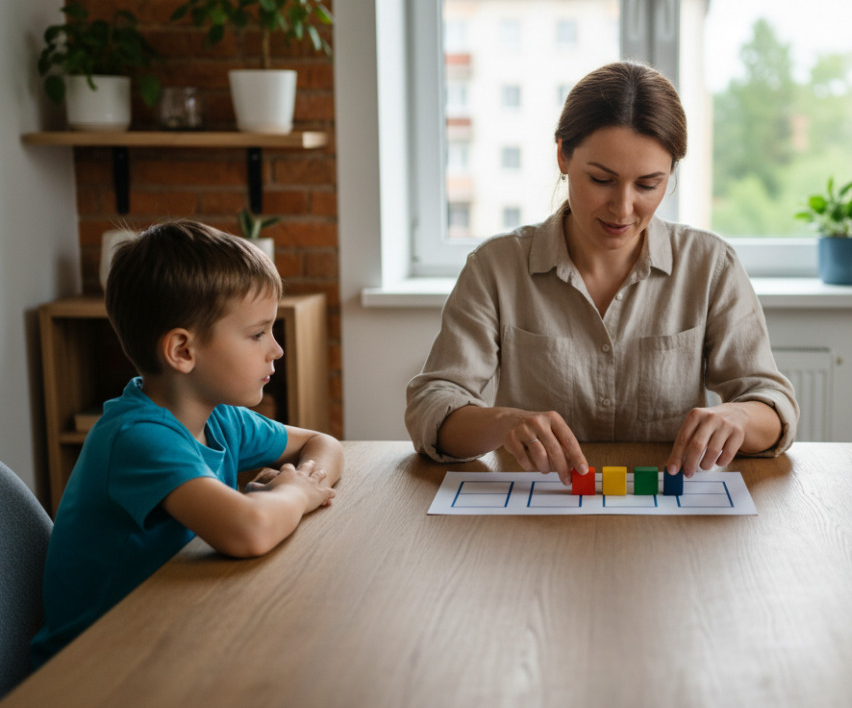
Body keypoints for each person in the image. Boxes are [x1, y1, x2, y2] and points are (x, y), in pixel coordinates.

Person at [406, 61, 797, 483]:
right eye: (601, 179)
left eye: (648, 185)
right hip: (538, 519)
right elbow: (432, 404)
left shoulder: (711, 265)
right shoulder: (495, 268)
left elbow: (772, 403)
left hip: (667, 518)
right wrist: (502, 423)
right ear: (563, 156)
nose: (623, 207)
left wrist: (737, 416)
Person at [31, 220, 343, 667]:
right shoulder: (137, 438)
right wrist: (294, 494)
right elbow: (249, 530)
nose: (275, 349)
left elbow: (322, 442)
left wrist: (302, 483)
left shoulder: (220, 416)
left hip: (167, 633)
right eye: (257, 334)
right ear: (182, 351)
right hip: (93, 669)